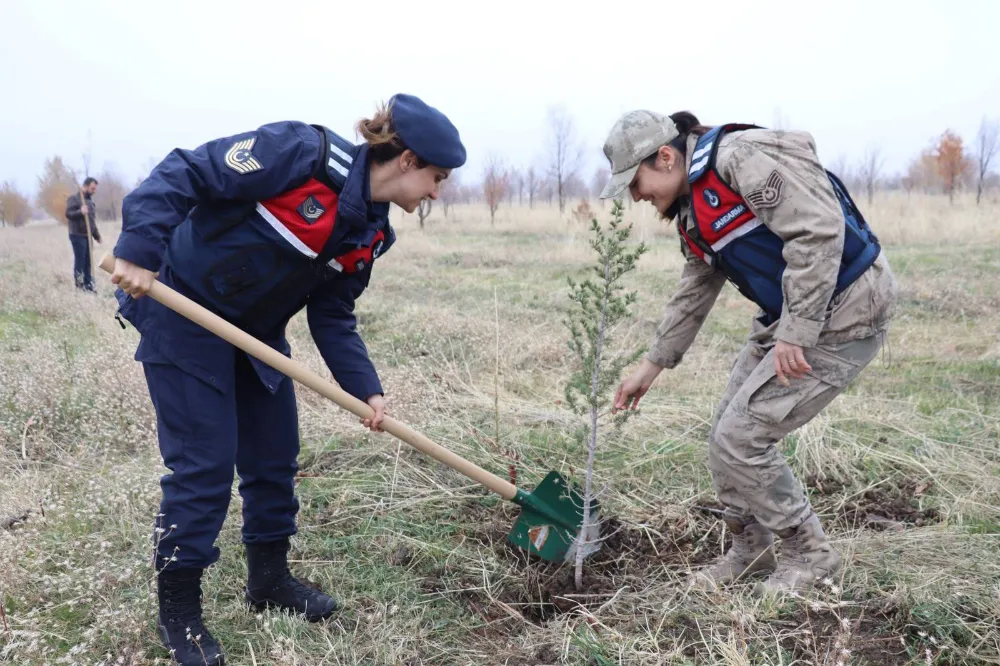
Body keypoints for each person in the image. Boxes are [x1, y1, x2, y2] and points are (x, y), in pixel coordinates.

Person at [109, 93, 465, 665]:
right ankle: (180, 615)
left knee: (274, 456)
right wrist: (139, 247)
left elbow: (333, 314)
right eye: (436, 177)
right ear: (406, 160)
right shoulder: (300, 155)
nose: (435, 192)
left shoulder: (371, 235)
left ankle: (269, 582)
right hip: (184, 313)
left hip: (257, 336)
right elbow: (189, 170)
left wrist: (365, 389)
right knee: (203, 466)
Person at [600, 110, 898, 595]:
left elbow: (819, 231)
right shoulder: (693, 210)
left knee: (742, 437)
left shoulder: (743, 158)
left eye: (635, 181)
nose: (635, 195)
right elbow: (696, 286)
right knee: (724, 435)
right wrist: (652, 366)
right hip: (792, 316)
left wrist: (795, 334)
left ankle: (811, 555)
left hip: (847, 308)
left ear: (666, 156)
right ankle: (751, 550)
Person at [65, 177, 102, 291]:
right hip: (77, 235)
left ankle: (88, 285)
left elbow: (91, 222)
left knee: (88, 261)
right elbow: (68, 213)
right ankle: (79, 286)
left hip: (87, 235)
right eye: (92, 188)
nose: (94, 191)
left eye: (95, 189)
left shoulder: (90, 203)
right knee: (80, 260)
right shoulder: (74, 199)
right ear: (85, 186)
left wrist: (97, 236)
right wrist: (80, 212)